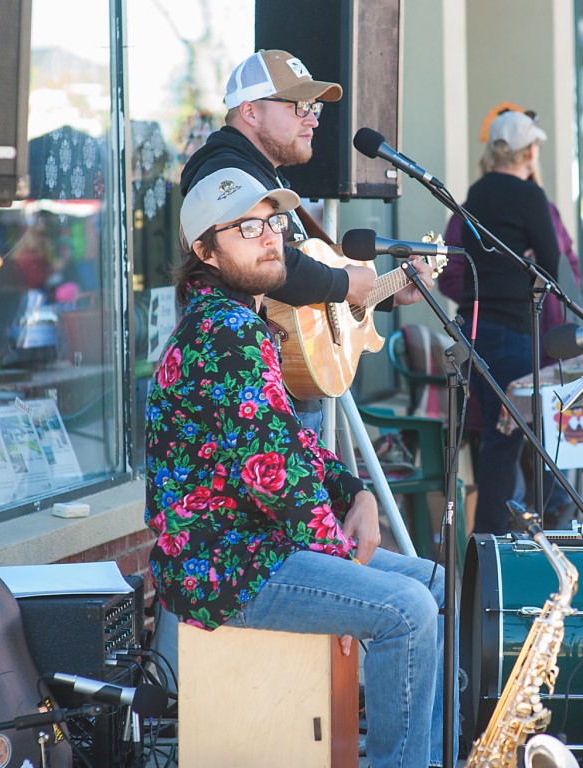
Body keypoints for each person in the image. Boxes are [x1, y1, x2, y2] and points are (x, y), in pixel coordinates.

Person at [145, 168, 446, 767]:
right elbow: (274, 477)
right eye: (248, 228)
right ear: (204, 251)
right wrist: (341, 559)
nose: (270, 238)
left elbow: (292, 445)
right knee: (408, 611)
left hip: (264, 544)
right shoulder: (222, 333)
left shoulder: (244, 324)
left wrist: (357, 492)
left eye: (274, 222)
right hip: (225, 564)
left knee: (435, 585)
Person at [178, 49, 426, 429]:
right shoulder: (227, 177)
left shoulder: (265, 177)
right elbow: (274, 262)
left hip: (282, 374)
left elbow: (304, 273)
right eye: (298, 106)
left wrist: (384, 292)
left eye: (314, 107)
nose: (312, 120)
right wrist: (344, 284)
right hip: (250, 383)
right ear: (250, 111)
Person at [452, 109, 561, 535]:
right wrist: (530, 262)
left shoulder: (475, 193)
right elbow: (550, 263)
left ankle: (493, 543)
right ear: (530, 151)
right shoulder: (530, 196)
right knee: (508, 441)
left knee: (497, 442)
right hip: (513, 333)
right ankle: (493, 551)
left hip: (473, 331)